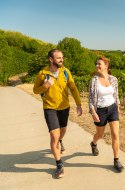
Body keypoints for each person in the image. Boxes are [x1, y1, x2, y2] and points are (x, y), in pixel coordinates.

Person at [33, 49, 83, 178]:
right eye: (58, 58)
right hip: (49, 107)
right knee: (54, 136)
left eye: (62, 57)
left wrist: (78, 104)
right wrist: (45, 86)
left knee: (63, 130)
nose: (62, 59)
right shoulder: (42, 74)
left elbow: (73, 88)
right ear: (51, 59)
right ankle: (59, 164)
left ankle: (60, 140)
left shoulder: (65, 72)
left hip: (64, 107)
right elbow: (35, 90)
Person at [88, 56, 124, 172]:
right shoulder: (94, 80)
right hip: (100, 111)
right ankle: (93, 143)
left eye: (99, 64)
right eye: (96, 64)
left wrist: (117, 107)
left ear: (106, 66)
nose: (97, 66)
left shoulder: (113, 79)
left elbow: (116, 94)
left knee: (115, 134)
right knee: (100, 134)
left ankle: (116, 160)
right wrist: (93, 112)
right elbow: (90, 98)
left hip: (112, 108)